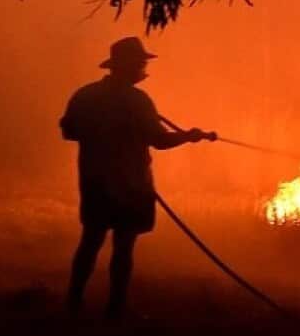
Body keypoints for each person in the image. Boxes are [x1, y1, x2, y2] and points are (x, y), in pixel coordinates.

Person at [60, 37, 215, 320]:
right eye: (140, 62)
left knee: (91, 240)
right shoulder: (137, 101)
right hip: (130, 184)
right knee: (123, 245)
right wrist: (189, 136)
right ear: (127, 65)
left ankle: (74, 301)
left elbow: (68, 130)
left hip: (94, 180)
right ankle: (116, 308)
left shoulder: (86, 95)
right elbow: (159, 141)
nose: (144, 67)